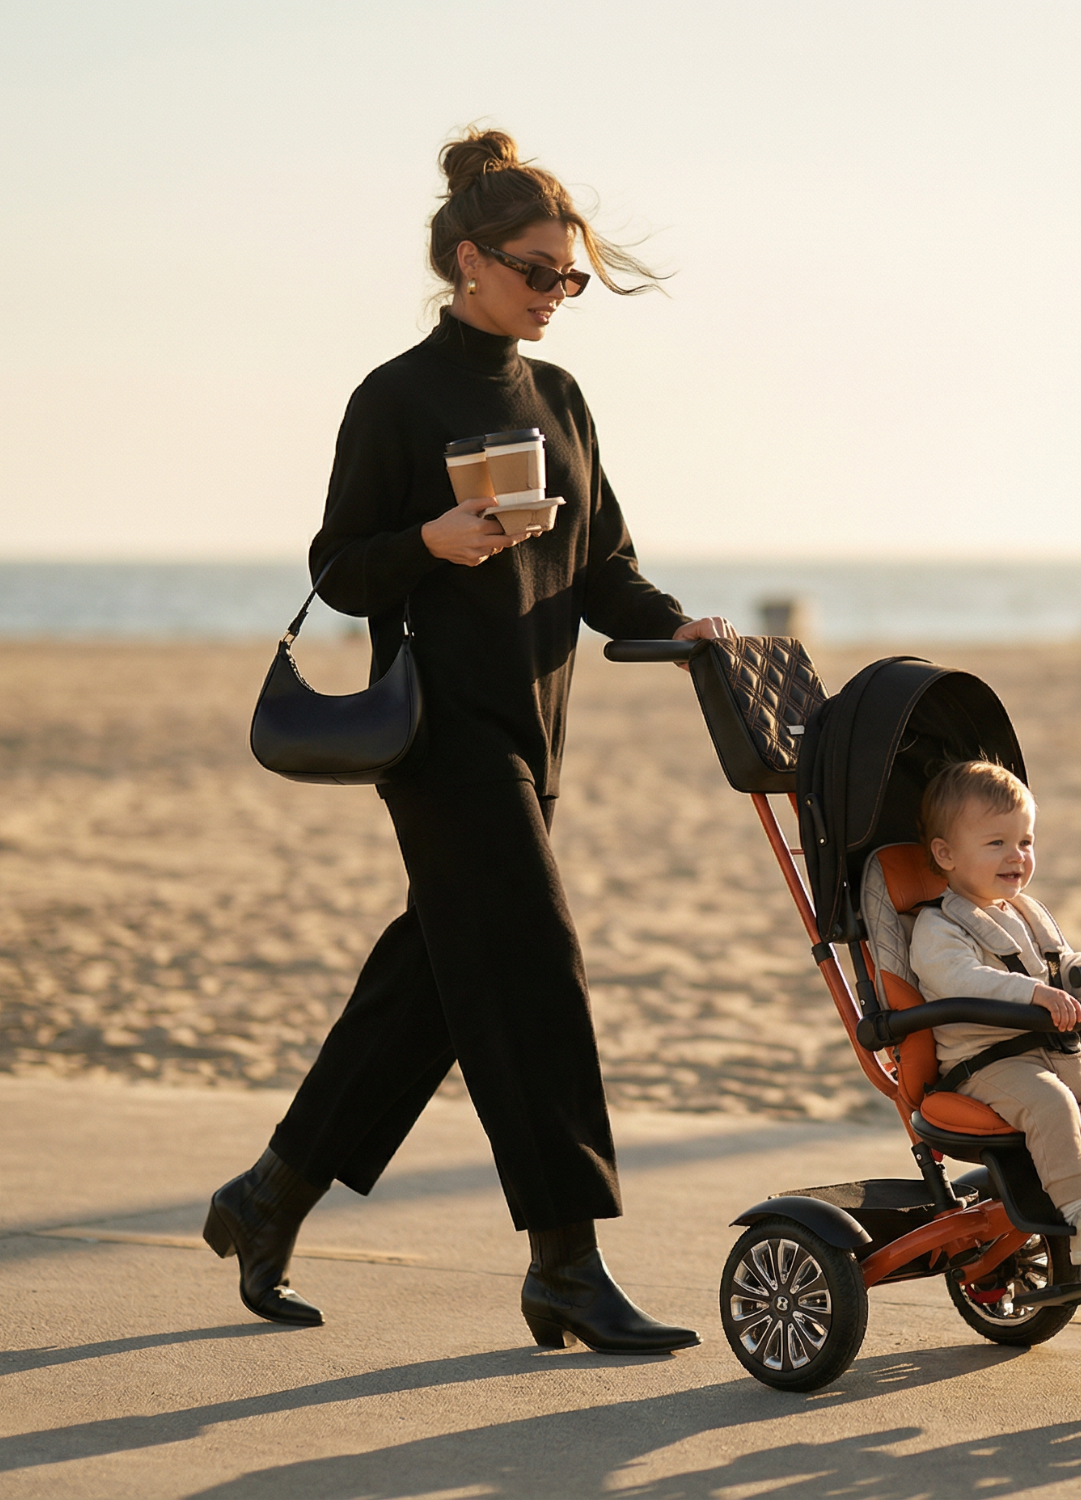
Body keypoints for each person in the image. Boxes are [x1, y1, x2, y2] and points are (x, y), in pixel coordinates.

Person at [202, 127, 731, 1354]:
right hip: (440, 734)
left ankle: (268, 1194)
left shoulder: (561, 400)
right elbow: (339, 568)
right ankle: (566, 1262)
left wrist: (681, 627)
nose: (557, 297)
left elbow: (604, 567)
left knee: (437, 979)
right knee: (535, 966)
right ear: (467, 258)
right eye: (539, 272)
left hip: (537, 732)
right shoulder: (395, 396)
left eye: (571, 278)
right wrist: (430, 546)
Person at [907, 760, 1081, 1264]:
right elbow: (961, 979)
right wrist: (1033, 994)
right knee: (1052, 1106)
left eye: (1025, 842)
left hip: (1061, 1054)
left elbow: (1059, 963)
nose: (1016, 856)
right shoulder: (938, 928)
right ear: (946, 854)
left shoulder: (1024, 911)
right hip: (990, 1067)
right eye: (996, 843)